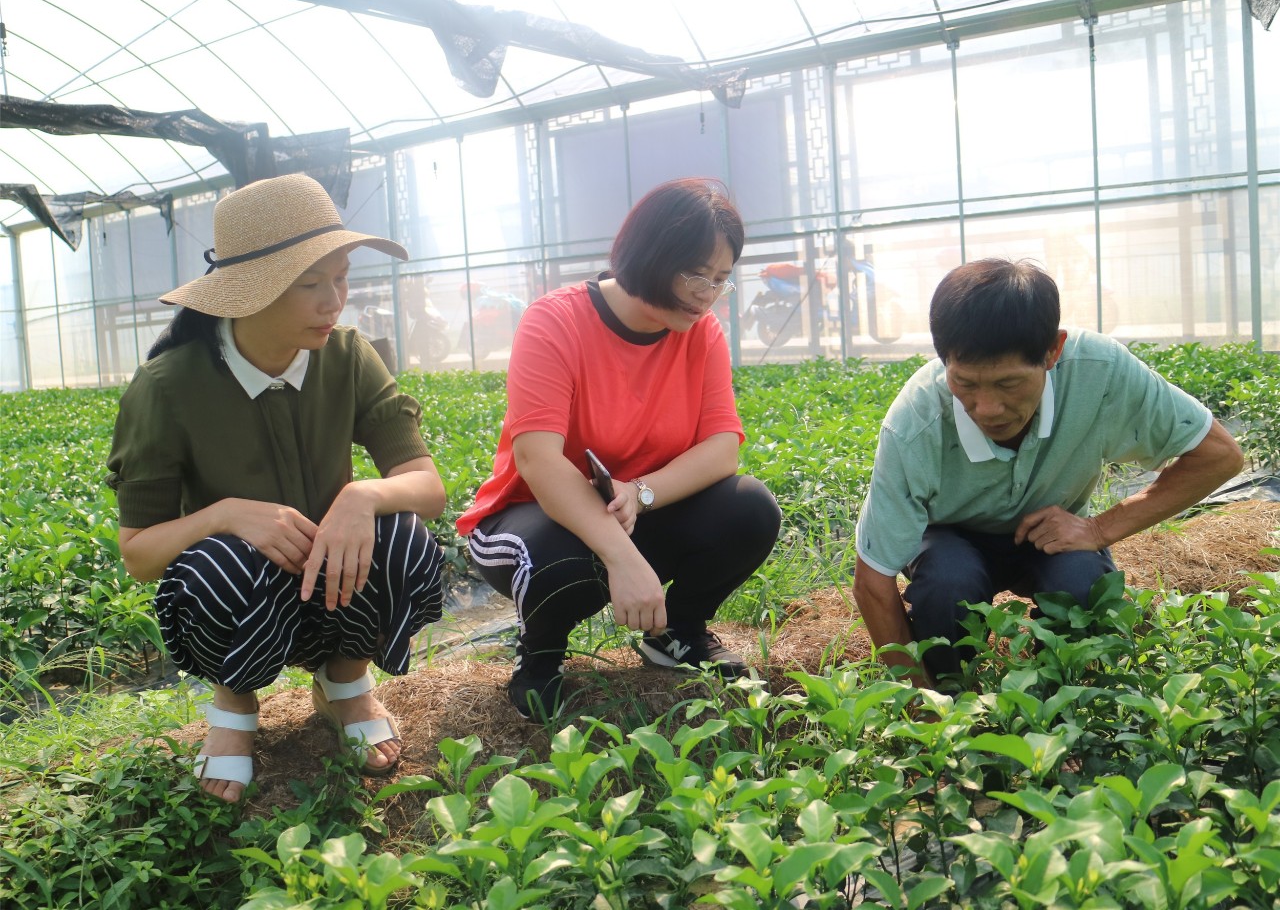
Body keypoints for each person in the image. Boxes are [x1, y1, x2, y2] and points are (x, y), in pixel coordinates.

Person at [106, 173, 447, 802]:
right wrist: (227, 514)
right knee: (215, 568)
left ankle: (345, 686)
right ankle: (234, 711)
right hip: (250, 592)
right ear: (248, 294)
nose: (334, 301)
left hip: (340, 584)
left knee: (406, 539)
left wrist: (362, 497)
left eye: (341, 277)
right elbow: (139, 553)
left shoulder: (348, 356)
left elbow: (426, 487)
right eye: (310, 285)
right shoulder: (166, 387)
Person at [457, 177, 782, 719]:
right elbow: (539, 460)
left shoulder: (701, 333)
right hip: (533, 515)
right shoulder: (555, 322)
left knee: (749, 509)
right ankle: (538, 658)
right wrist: (621, 556)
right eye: (694, 274)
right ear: (649, 256)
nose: (706, 293)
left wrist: (640, 492)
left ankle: (677, 633)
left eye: (721, 279)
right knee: (560, 565)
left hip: (629, 507)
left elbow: (722, 448)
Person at [853, 257, 1243, 688]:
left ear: (1053, 350)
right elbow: (872, 581)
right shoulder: (915, 422)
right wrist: (919, 702)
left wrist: (1097, 529)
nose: (986, 408)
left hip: (1048, 532)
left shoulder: (1101, 373)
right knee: (948, 583)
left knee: (1081, 585)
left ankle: (1060, 706)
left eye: (1008, 384)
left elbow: (1220, 455)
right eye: (965, 382)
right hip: (948, 536)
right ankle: (950, 692)